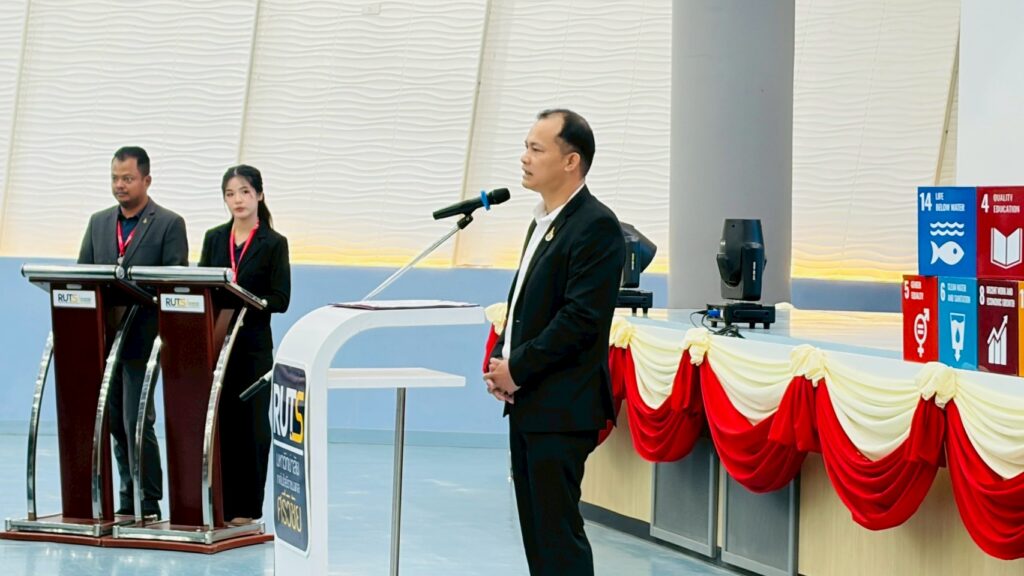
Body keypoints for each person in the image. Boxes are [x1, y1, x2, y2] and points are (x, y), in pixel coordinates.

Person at [484, 109, 625, 576]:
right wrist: (502, 359)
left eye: (536, 149)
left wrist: (518, 367)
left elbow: (580, 320)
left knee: (557, 534)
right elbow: (525, 302)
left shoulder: (596, 226)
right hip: (529, 400)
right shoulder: (542, 221)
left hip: (563, 405)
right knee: (536, 530)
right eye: (525, 147)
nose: (524, 158)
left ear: (571, 161)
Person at [78, 146, 188, 519]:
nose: (120, 185)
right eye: (115, 178)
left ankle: (149, 499)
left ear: (146, 180)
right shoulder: (98, 223)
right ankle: (126, 496)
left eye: (127, 178)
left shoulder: (169, 224)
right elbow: (82, 275)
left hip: (145, 339)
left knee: (136, 420)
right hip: (104, 339)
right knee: (113, 422)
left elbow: (174, 284)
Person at [199, 164, 291, 525]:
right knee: (221, 425)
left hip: (252, 346)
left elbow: (281, 298)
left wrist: (251, 300)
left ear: (259, 195)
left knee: (251, 428)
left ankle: (248, 508)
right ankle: (220, 503)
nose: (237, 200)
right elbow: (203, 284)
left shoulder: (274, 243)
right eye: (230, 194)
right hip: (219, 343)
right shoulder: (214, 238)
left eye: (244, 192)